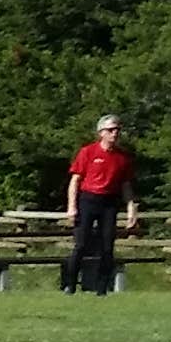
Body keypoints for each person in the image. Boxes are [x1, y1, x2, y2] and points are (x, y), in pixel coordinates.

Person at [61, 113, 137, 294]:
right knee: (81, 245)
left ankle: (101, 288)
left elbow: (126, 185)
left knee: (107, 246)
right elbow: (75, 180)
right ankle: (70, 283)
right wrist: (72, 207)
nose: (115, 133)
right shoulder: (87, 152)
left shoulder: (122, 158)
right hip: (88, 199)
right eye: (111, 130)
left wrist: (131, 208)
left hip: (109, 202)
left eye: (117, 130)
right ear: (101, 132)